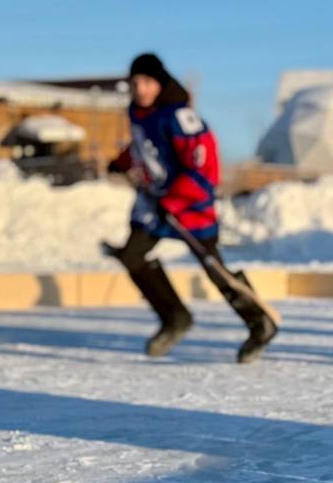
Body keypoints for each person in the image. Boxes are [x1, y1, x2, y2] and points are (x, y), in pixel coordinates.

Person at [105, 53, 278, 363]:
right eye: (136, 82)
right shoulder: (139, 114)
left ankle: (259, 322)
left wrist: (174, 200)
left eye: (147, 82)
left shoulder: (180, 117)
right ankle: (175, 318)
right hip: (155, 206)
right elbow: (144, 150)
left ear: (160, 82)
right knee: (132, 256)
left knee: (214, 269)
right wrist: (122, 162)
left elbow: (204, 168)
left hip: (188, 207)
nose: (141, 88)